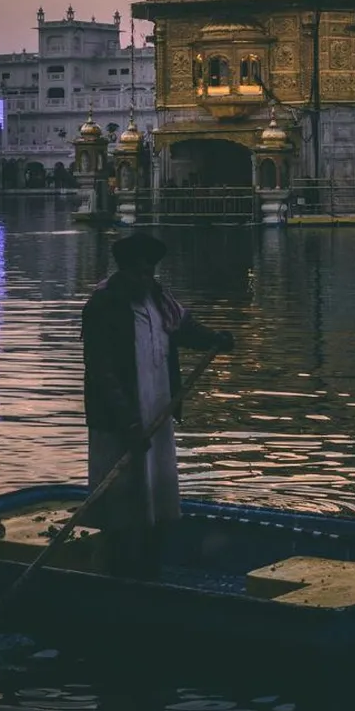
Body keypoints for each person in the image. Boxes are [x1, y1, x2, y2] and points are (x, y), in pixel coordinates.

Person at [81, 232, 233, 578]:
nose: (145, 278)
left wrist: (215, 339)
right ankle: (117, 569)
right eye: (138, 272)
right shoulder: (104, 305)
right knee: (121, 507)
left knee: (158, 499)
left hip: (157, 414)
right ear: (125, 271)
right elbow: (102, 372)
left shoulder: (159, 299)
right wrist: (128, 423)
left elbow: (184, 329)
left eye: (149, 271)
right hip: (119, 421)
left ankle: (150, 565)